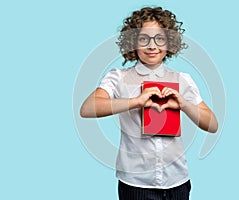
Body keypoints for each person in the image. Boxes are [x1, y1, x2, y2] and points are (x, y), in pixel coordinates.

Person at [80, 6, 218, 200]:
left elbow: (212, 124)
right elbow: (87, 109)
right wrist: (136, 101)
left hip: (177, 182)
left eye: (159, 38)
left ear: (169, 42)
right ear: (133, 43)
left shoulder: (182, 79)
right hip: (135, 184)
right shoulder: (118, 77)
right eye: (144, 39)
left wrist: (184, 104)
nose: (152, 46)